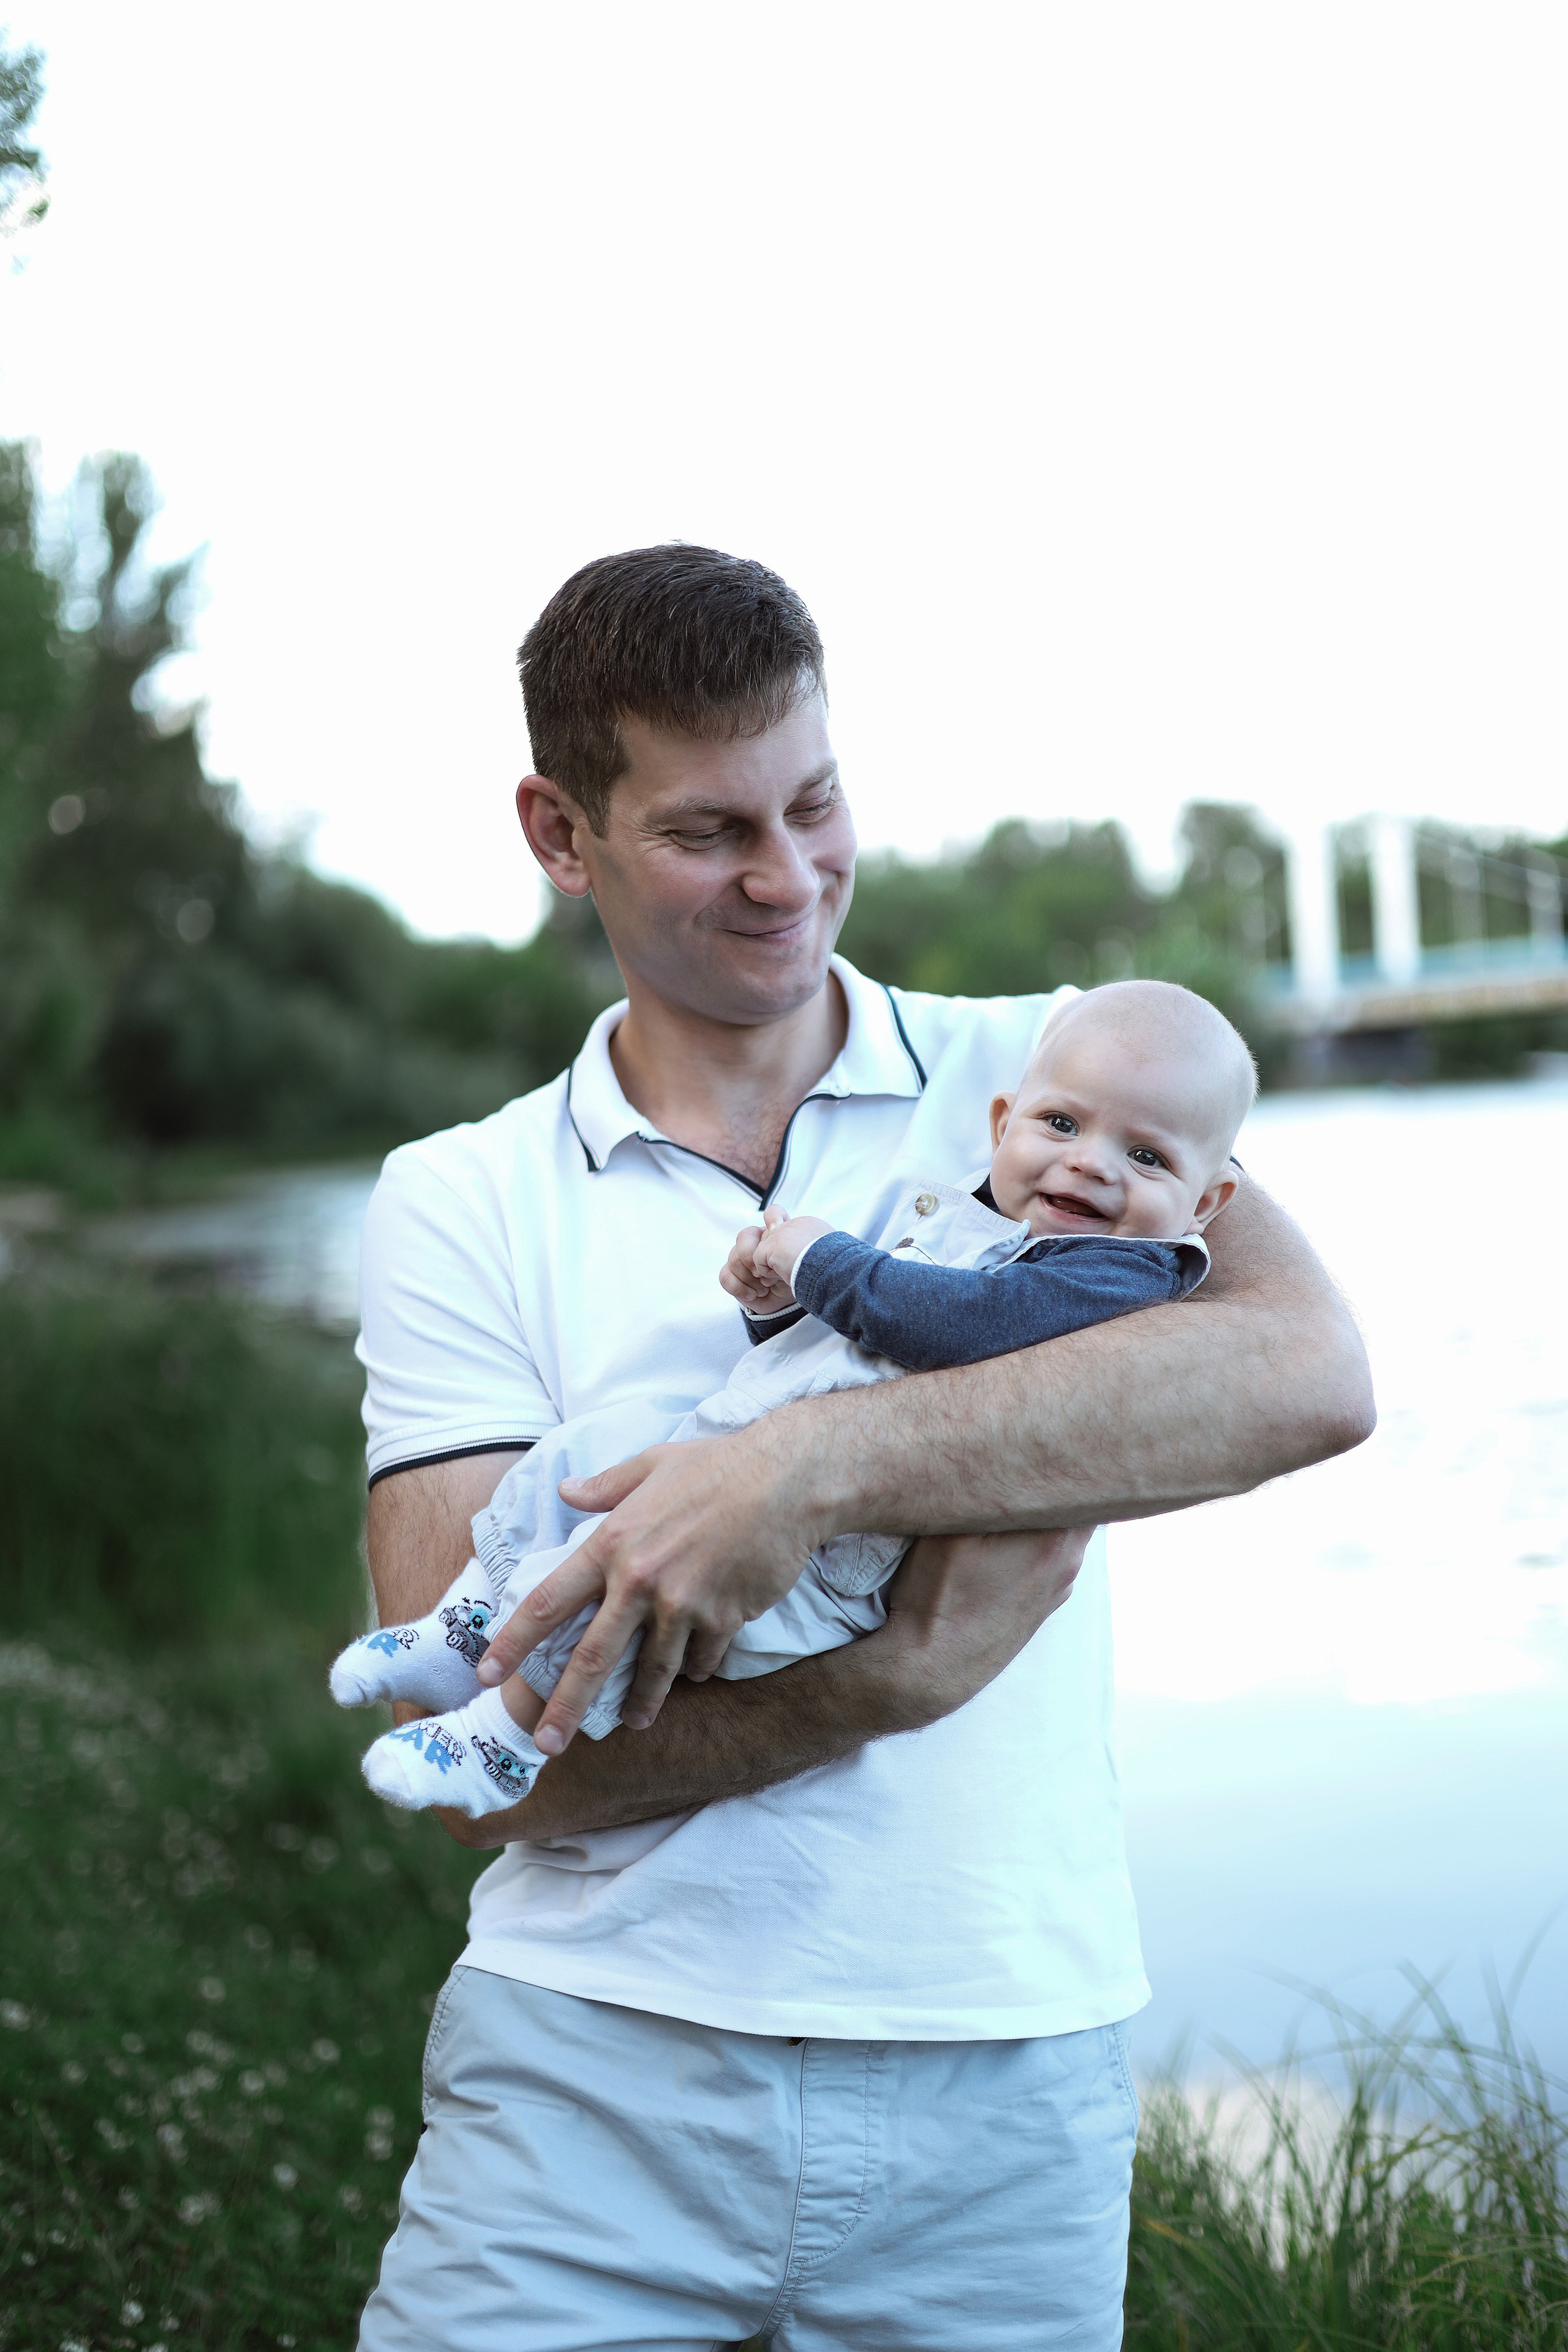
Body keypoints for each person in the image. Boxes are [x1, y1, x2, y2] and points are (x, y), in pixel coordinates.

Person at [354, 545, 1374, 2352]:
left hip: (1004, 2086)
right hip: (588, 2082)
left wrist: (802, 1471)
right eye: (708, 830)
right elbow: (509, 1770)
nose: (788, 874)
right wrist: (893, 1684)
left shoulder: (1059, 1080)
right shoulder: (459, 1197)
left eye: (817, 800)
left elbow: (1302, 1375)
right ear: (557, 830)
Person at [335, 979, 1254, 1822]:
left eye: (1144, 1155)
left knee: (634, 1578)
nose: (1092, 1165)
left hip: (836, 1551)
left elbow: (954, 1327)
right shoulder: (983, 1222)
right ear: (1004, 1121)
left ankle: (503, 1743)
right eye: (1061, 1125)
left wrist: (817, 1258)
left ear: (1206, 1200)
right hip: (732, 1443)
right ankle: (463, 1628)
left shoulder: (1115, 1274)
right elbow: (850, 1351)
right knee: (591, 1450)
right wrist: (777, 1310)